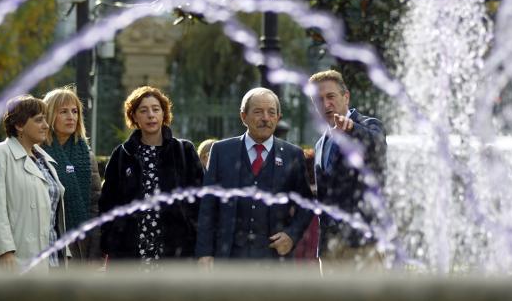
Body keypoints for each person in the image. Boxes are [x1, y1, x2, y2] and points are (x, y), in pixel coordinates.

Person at [196, 87, 313, 267]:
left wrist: (291, 235)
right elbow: (208, 206)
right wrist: (204, 253)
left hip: (274, 259)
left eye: (271, 112)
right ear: (243, 116)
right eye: (258, 112)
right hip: (228, 257)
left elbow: (306, 205)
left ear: (278, 118)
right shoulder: (221, 151)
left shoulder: (293, 155)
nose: (265, 118)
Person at [99, 86, 203, 267]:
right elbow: (108, 202)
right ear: (134, 117)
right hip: (130, 250)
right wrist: (112, 238)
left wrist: (194, 233)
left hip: (176, 250)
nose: (150, 115)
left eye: (156, 109)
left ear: (164, 114)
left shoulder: (184, 151)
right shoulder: (122, 154)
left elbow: (200, 199)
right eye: (143, 110)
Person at [0, 95, 69, 273]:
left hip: (52, 261)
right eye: (39, 120)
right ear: (19, 125)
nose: (46, 126)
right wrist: (5, 251)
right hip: (13, 260)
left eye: (45, 120)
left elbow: (54, 216)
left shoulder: (45, 160)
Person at [308, 69, 387, 268]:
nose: (326, 104)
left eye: (331, 96)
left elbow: (376, 145)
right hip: (329, 249)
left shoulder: (368, 126)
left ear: (346, 96)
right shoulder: (320, 144)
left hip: (363, 245)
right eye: (318, 100)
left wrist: (352, 129)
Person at [42, 86, 102, 263]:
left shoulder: (86, 155)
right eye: (63, 112)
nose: (71, 117)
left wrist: (95, 252)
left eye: (75, 111)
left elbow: (95, 205)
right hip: (46, 242)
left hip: (78, 247)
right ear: (50, 115)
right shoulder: (36, 152)